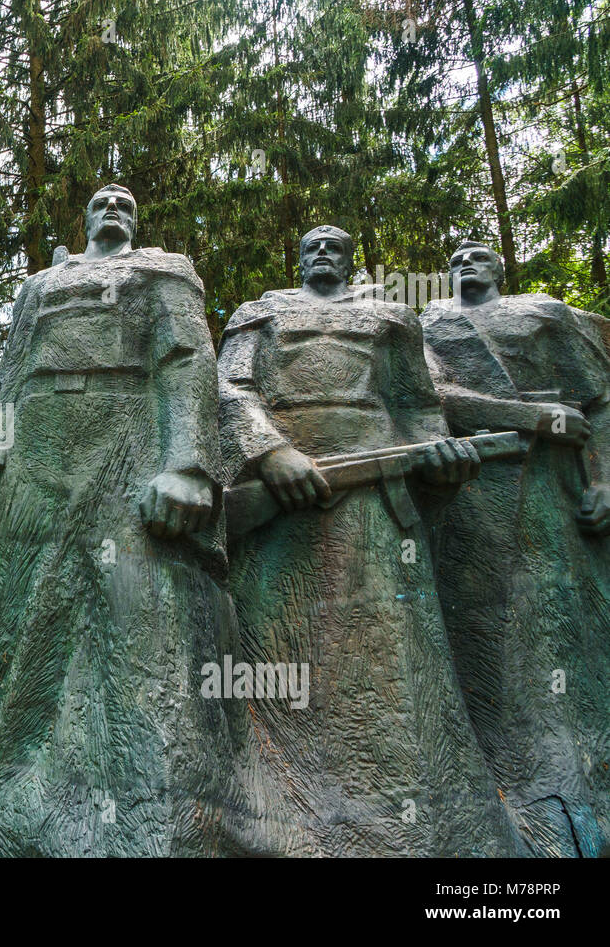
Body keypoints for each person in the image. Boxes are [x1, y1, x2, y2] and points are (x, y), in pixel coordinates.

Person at [0, 185, 256, 857]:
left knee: (135, 617)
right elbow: (12, 368)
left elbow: (188, 360)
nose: (113, 206)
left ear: (135, 220)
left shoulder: (161, 271)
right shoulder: (42, 284)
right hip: (39, 444)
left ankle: (152, 820)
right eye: (102, 200)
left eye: (126, 202)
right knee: (11, 619)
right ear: (84, 217)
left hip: (124, 431)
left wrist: (188, 465)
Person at [218, 225, 521, 855]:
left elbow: (417, 408)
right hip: (281, 504)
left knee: (393, 651)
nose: (322, 251)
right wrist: (271, 452)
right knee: (272, 652)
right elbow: (230, 390)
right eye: (312, 244)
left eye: (335, 245)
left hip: (377, 505)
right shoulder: (259, 313)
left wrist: (440, 466)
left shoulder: (390, 316)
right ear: (297, 256)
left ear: (352, 259)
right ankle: (269, 817)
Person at [421, 241, 610, 856]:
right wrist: (531, 417)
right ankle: (523, 793)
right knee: (487, 634)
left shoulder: (546, 314)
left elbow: (599, 402)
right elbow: (435, 400)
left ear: (502, 267)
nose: (467, 263)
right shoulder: (428, 323)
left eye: (480, 255)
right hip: (476, 491)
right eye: (457, 258)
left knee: (572, 626)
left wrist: (606, 479)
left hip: (560, 491)